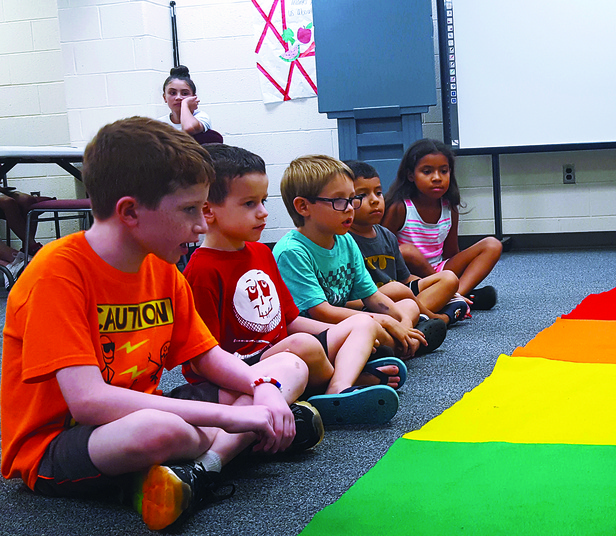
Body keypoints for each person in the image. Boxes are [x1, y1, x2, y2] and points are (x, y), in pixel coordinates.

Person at [0, 117, 323, 531]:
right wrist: (236, 418)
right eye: (190, 210)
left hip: (149, 413)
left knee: (288, 367)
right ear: (130, 211)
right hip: (60, 443)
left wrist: (263, 390)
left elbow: (207, 356)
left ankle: (202, 469)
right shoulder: (57, 273)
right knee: (160, 428)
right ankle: (240, 445)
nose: (202, 224)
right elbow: (90, 402)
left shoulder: (163, 265)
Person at [183, 144, 405, 425]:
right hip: (243, 367)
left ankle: (338, 389)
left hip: (285, 349)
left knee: (363, 324)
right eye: (250, 204)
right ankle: (346, 379)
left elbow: (290, 319)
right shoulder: (202, 269)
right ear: (209, 211)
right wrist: (328, 346)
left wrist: (348, 334)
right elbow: (201, 360)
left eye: (263, 201)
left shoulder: (262, 253)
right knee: (305, 346)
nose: (263, 212)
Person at [272, 154, 446, 360]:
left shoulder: (345, 240)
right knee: (371, 326)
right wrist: (384, 321)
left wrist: (399, 321)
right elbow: (322, 313)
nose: (349, 209)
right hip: (314, 331)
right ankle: (408, 344)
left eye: (351, 199)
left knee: (408, 306)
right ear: (303, 206)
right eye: (338, 201)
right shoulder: (292, 252)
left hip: (346, 320)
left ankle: (402, 343)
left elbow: (372, 295)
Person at [345, 159, 470, 326]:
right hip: (366, 304)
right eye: (362, 195)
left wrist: (448, 290)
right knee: (395, 290)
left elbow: (405, 278)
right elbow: (345, 299)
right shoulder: (343, 240)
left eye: (378, 193)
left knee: (448, 279)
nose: (374, 200)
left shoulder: (387, 235)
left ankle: (417, 315)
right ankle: (435, 318)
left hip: (399, 299)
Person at [382, 139, 502, 310]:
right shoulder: (400, 207)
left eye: (443, 171)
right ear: (410, 175)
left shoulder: (449, 206)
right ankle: (453, 296)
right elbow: (385, 254)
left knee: (493, 244)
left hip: (440, 269)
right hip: (410, 276)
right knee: (407, 252)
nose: (437, 178)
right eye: (427, 171)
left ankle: (456, 294)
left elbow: (452, 252)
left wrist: (452, 274)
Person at [159, 65, 211, 136]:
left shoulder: (201, 117)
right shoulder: (159, 124)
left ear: (194, 97)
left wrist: (185, 104)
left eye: (185, 93)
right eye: (173, 93)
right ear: (165, 97)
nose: (178, 97)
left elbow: (188, 128)